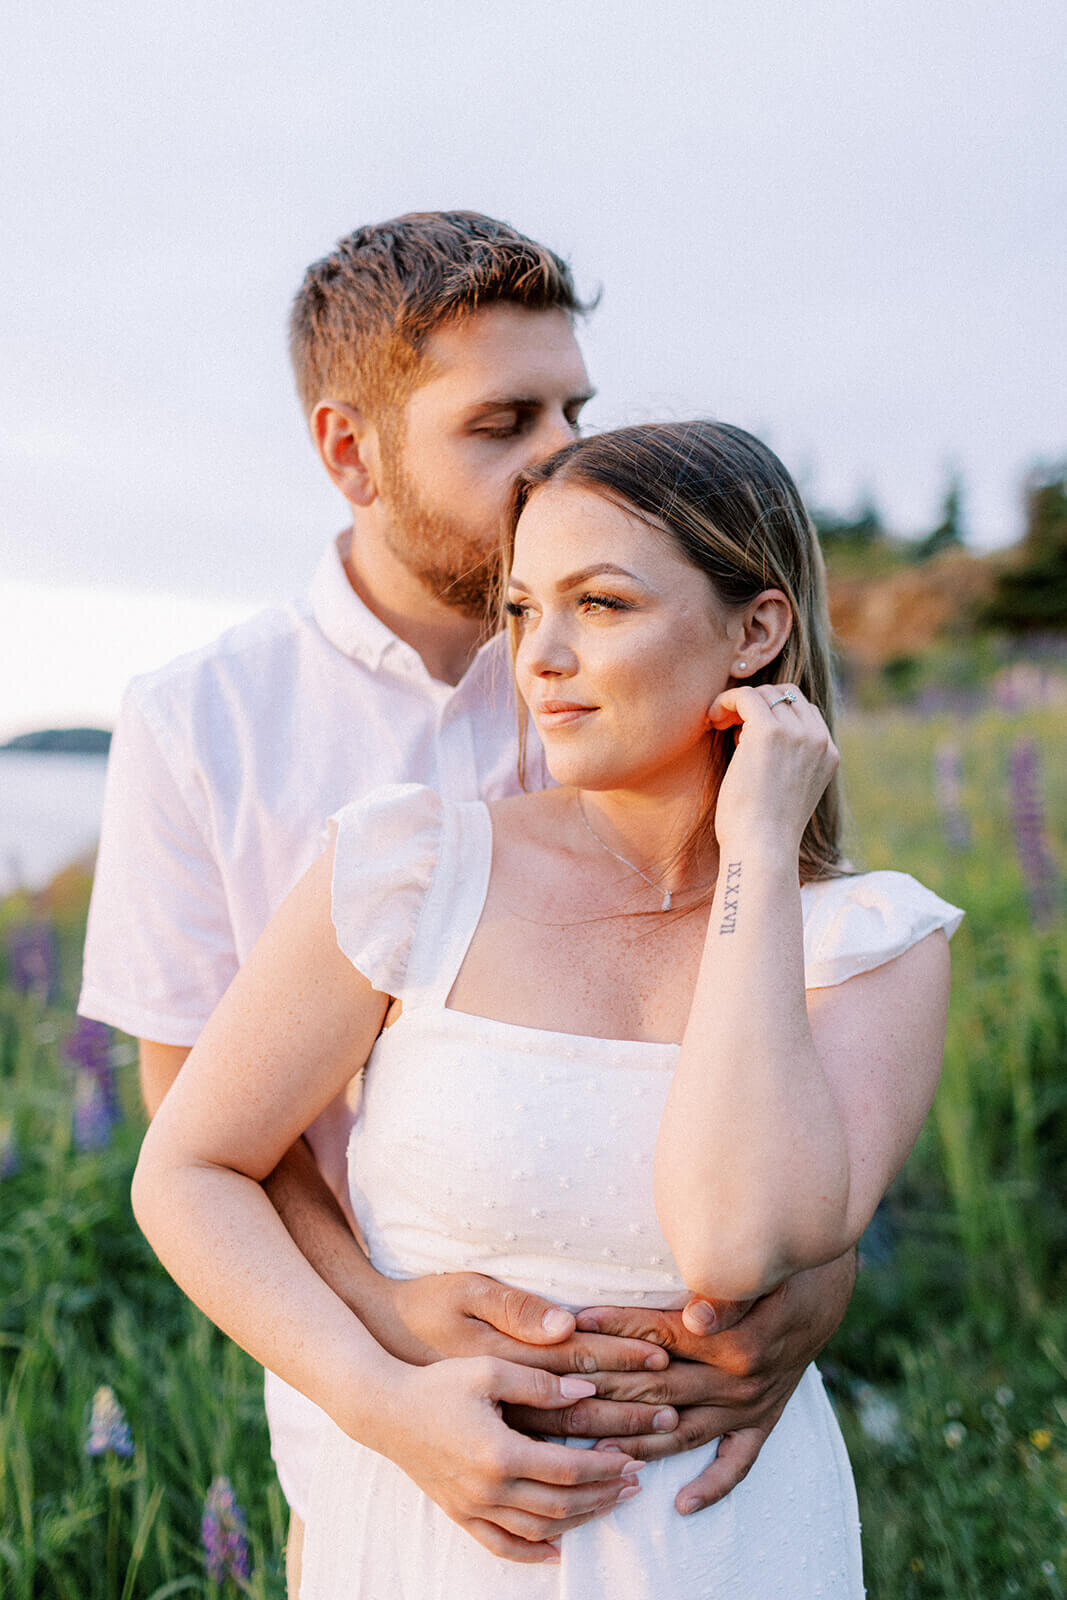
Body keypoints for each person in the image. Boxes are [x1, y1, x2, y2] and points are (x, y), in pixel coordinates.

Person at [80, 215, 855, 1592]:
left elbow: (803, 981)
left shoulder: (636, 659)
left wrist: (817, 1282)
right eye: (503, 422)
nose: (559, 454)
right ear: (348, 453)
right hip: (377, 1401)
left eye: (575, 407)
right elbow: (198, 1121)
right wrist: (384, 1333)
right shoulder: (208, 722)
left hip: (690, 1421)